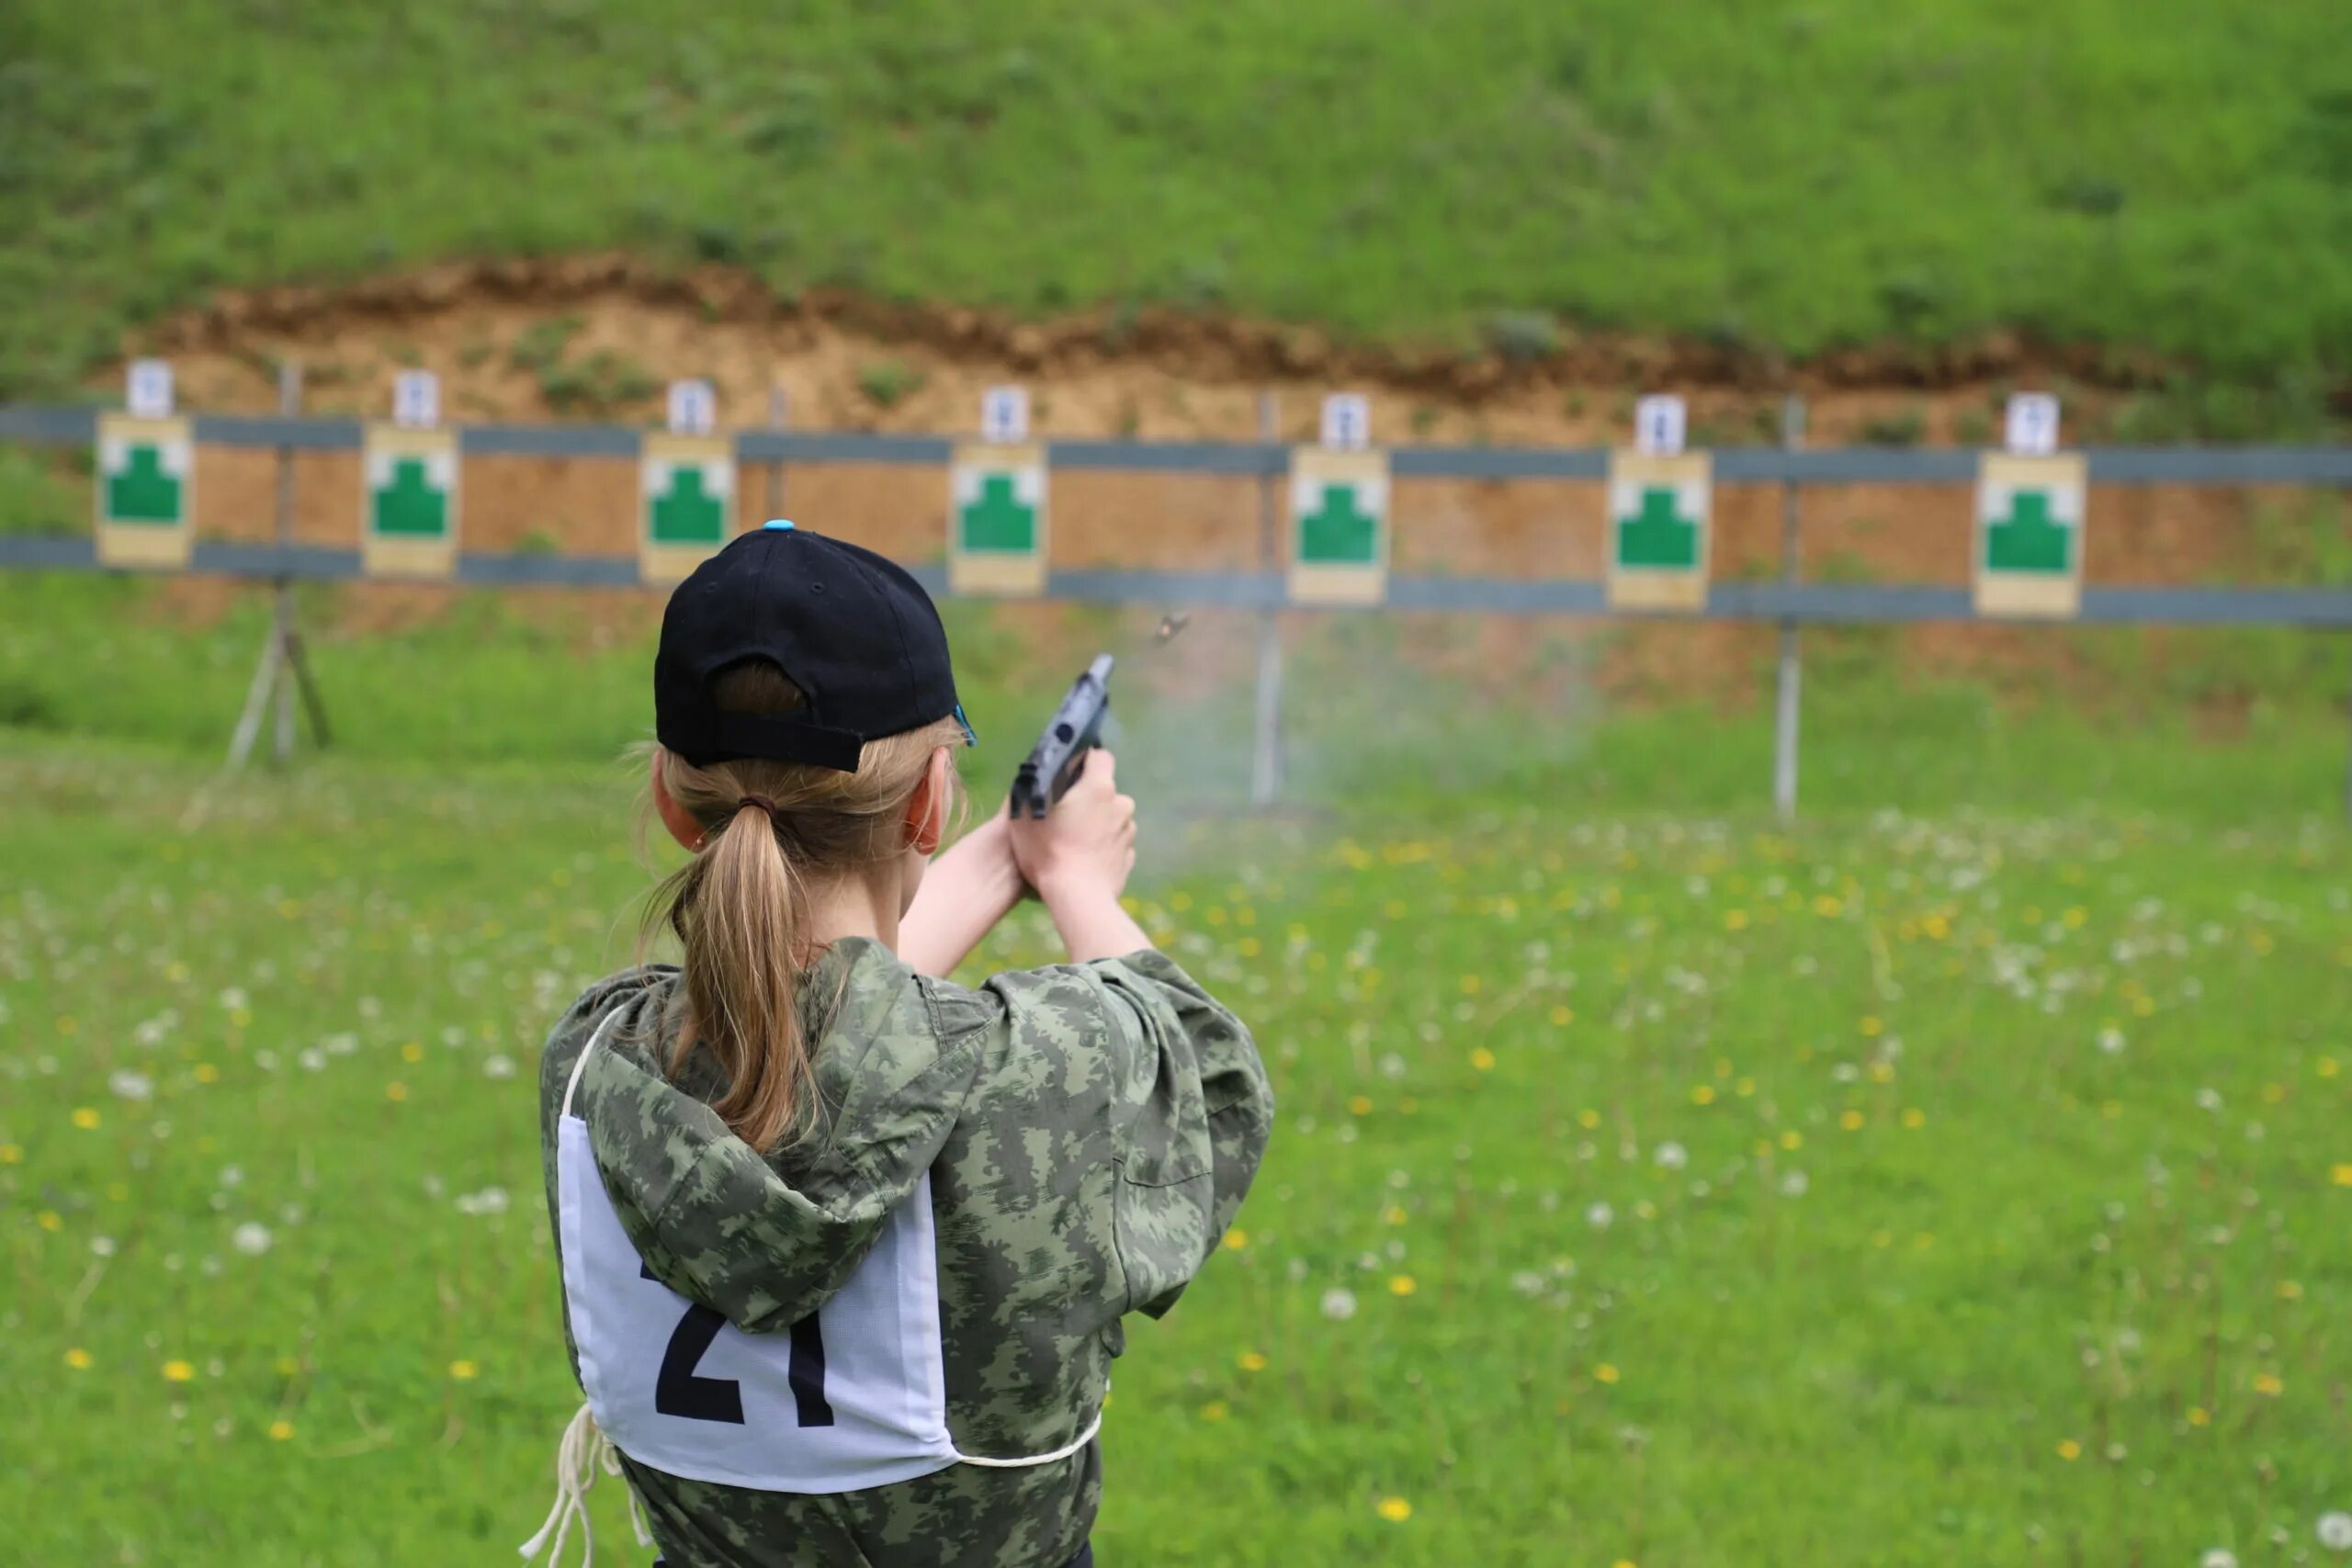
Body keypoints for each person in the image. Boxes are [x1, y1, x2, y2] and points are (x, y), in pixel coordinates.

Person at [524, 522, 1273, 1568]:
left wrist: (997, 858)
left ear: (671, 799)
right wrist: (1074, 884)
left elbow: (811, 1027)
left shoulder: (597, 1064)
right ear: (925, 798)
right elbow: (1205, 1075)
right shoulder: (1041, 1074)